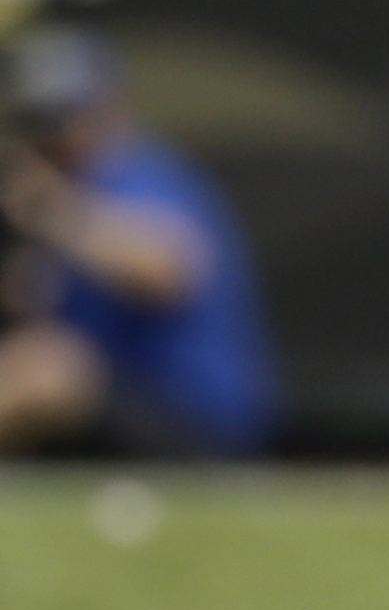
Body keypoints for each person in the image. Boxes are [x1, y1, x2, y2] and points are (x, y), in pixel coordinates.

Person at [0, 25, 273, 455]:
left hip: (193, 417)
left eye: (64, 116)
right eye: (37, 120)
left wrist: (51, 210)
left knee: (49, 365)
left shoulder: (140, 171)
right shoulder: (63, 189)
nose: (55, 138)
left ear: (109, 107)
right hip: (105, 420)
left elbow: (169, 269)